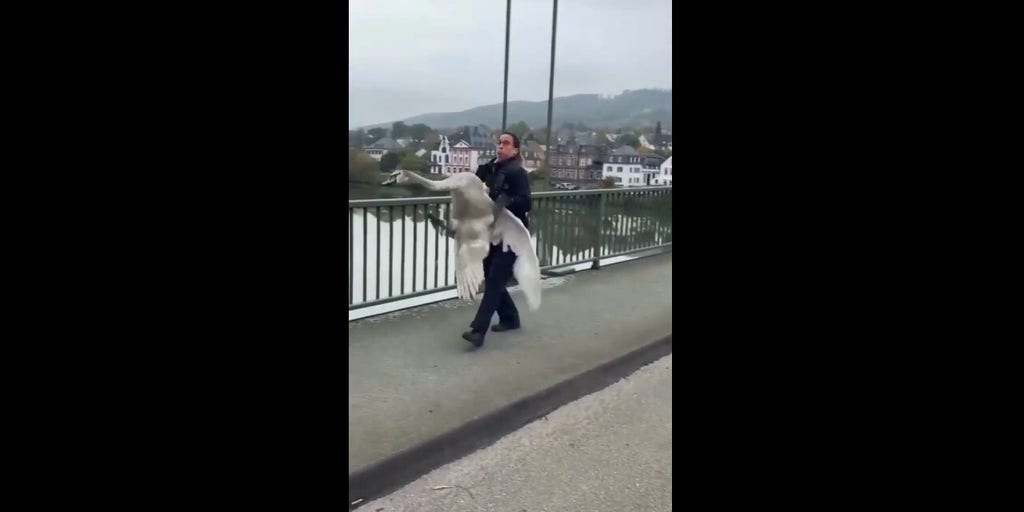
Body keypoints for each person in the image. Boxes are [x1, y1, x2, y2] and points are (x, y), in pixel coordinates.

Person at [462, 132, 532, 348]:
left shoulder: (517, 172)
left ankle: (478, 331)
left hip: (511, 235)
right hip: (490, 232)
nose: (501, 146)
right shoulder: (490, 168)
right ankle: (510, 318)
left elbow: (526, 202)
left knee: (494, 279)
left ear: (515, 150)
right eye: (499, 143)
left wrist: (504, 202)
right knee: (492, 277)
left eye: (506, 143)